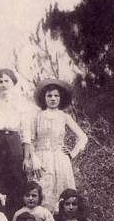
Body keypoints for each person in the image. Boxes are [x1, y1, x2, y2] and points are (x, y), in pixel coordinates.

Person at [31, 78, 88, 212]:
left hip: (61, 160)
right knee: (43, 193)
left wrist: (72, 154)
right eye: (49, 95)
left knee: (63, 196)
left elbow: (83, 137)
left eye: (56, 95)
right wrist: (34, 158)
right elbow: (32, 140)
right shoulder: (37, 116)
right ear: (44, 98)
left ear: (60, 98)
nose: (53, 98)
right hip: (42, 160)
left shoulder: (64, 117)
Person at [0, 68, 32, 221]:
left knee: (17, 181)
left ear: (13, 83)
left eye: (6, 81)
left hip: (14, 142)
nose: (3, 84)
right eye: (0, 81)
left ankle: (16, 220)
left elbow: (26, 131)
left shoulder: (21, 103)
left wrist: (26, 157)